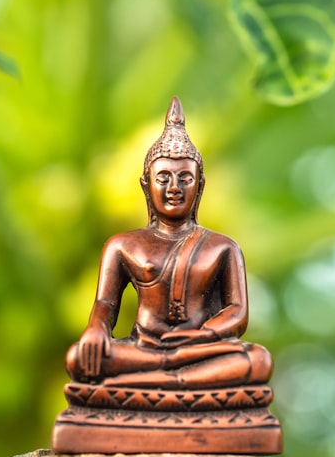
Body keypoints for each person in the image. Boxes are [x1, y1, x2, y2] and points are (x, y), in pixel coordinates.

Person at [65, 97, 273, 390]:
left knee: (257, 359)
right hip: (143, 346)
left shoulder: (222, 247)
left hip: (199, 349)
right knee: (80, 359)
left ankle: (155, 379)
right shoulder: (123, 244)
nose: (174, 188)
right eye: (163, 178)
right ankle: (171, 376)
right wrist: (96, 328)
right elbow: (105, 302)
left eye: (185, 178)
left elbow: (236, 312)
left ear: (199, 185)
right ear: (145, 185)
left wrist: (201, 337)